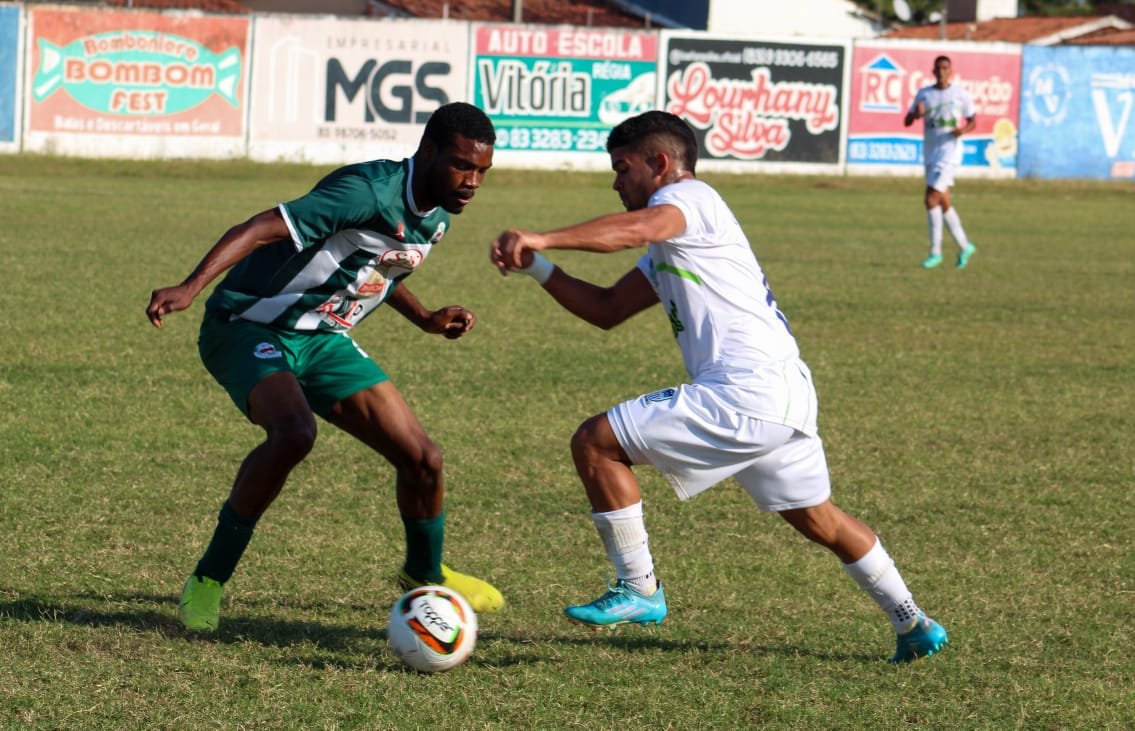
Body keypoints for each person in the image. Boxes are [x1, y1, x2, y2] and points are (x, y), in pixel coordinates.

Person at [490, 111, 947, 663]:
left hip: (744, 391)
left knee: (595, 442)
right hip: (783, 391)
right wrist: (538, 265)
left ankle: (639, 588)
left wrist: (543, 234)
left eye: (622, 168)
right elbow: (607, 309)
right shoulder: (674, 241)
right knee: (820, 518)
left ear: (659, 164)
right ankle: (913, 622)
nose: (616, 183)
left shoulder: (692, 200)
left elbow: (635, 228)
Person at [146, 101, 504, 633]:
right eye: (461, 165)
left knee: (424, 458)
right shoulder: (366, 191)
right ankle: (208, 580)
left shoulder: (440, 215)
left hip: (324, 338)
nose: (472, 181)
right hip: (247, 326)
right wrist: (190, 287)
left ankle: (424, 575)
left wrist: (426, 318)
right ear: (428, 151)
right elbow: (262, 227)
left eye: (482, 171)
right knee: (293, 432)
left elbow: (381, 266)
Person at [904, 55, 977, 270]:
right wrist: (916, 115)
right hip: (931, 153)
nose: (942, 71)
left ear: (951, 71)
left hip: (950, 154)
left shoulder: (960, 95)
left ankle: (935, 252)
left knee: (930, 198)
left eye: (945, 68)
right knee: (943, 202)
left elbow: (973, 121)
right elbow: (907, 121)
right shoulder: (924, 94)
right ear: (933, 71)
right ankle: (965, 246)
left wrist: (962, 130)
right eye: (938, 68)